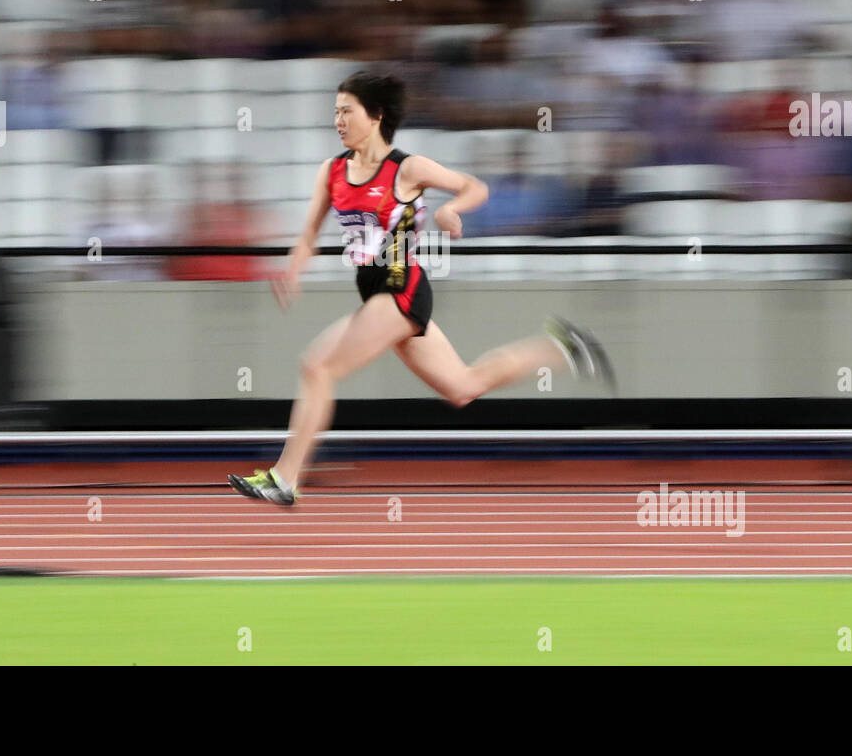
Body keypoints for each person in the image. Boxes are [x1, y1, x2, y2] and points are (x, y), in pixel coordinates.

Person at [228, 72, 614, 506]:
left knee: (318, 366)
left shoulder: (406, 168)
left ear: (374, 116)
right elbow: (309, 235)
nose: (337, 120)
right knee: (462, 387)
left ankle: (285, 477)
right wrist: (294, 266)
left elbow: (475, 187)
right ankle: (559, 348)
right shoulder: (332, 171)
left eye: (346, 111)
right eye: (334, 111)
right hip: (377, 293)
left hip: (401, 287)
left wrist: (451, 209)